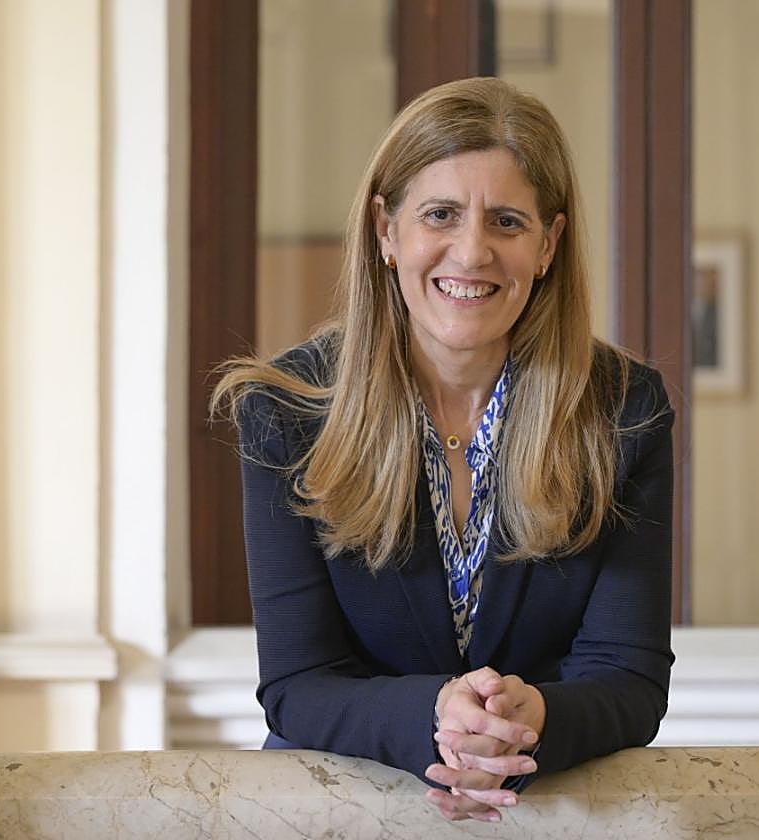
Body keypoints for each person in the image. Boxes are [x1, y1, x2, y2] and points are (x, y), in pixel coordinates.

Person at [212, 77, 675, 823]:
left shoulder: (624, 411)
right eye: (440, 214)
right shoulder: (288, 411)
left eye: (507, 221)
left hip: (551, 811)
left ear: (549, 244)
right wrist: (439, 718)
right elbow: (299, 681)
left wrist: (531, 722)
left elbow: (630, 677)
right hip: (343, 814)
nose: (472, 250)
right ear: (386, 232)